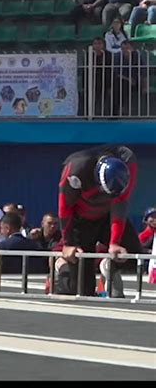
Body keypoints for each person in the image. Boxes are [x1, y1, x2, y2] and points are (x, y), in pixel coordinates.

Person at [57, 145, 140, 297]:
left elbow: (120, 203)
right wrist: (68, 243)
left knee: (132, 253)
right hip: (81, 222)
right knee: (82, 290)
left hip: (106, 217)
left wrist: (114, 243)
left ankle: (108, 266)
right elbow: (65, 207)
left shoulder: (128, 161)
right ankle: (62, 266)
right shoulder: (76, 169)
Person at [111, 41, 145, 117]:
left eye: (127, 48)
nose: (125, 50)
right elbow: (116, 73)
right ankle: (116, 112)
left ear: (132, 49)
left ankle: (124, 110)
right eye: (123, 48)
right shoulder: (117, 56)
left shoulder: (137, 56)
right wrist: (128, 79)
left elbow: (143, 72)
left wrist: (144, 86)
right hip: (124, 80)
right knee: (120, 85)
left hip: (136, 81)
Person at [89, 36, 112, 116]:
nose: (97, 46)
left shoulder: (108, 55)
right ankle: (91, 113)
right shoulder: (89, 55)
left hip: (106, 81)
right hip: (92, 81)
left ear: (103, 45)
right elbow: (85, 71)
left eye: (99, 43)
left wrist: (110, 85)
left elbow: (110, 71)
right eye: (95, 44)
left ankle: (106, 114)